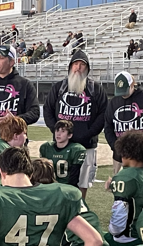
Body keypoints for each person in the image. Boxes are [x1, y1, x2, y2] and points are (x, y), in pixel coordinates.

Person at [42, 50, 108, 197]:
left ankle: (80, 207)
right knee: (58, 182)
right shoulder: (59, 88)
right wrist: (57, 130)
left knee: (82, 183)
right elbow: (47, 110)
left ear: (87, 68)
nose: (78, 68)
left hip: (86, 145)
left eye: (82, 65)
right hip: (60, 147)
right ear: (70, 66)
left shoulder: (95, 89)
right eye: (75, 64)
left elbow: (104, 114)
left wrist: (88, 133)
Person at [104, 71, 143, 184]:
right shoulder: (114, 102)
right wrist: (115, 146)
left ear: (132, 85)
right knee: (118, 182)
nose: (123, 95)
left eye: (125, 90)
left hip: (141, 153)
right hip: (119, 153)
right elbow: (108, 126)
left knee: (141, 183)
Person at [39, 120, 88, 193]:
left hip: (66, 187)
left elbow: (74, 176)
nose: (58, 134)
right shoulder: (46, 147)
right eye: (57, 130)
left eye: (63, 131)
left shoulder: (76, 149)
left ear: (69, 135)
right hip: (49, 187)